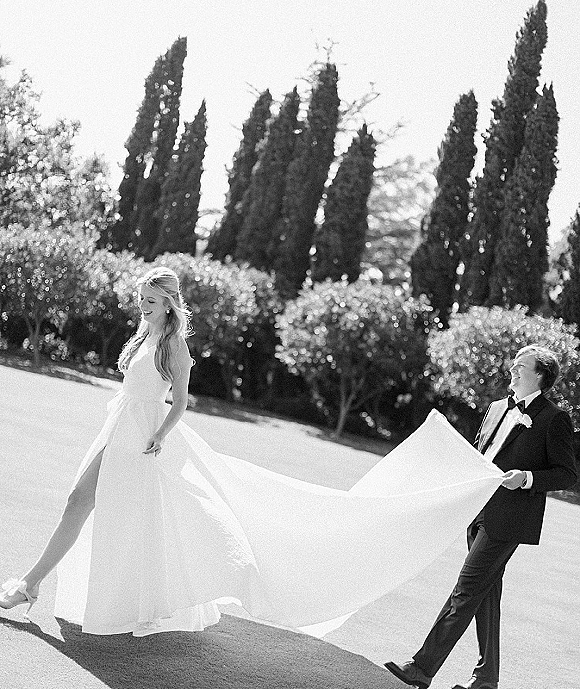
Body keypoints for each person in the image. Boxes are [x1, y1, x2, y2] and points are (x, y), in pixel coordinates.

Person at [0, 266, 506, 637]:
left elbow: (181, 402)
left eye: (150, 303)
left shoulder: (174, 346)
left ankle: (43, 586)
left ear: (170, 304)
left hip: (146, 439)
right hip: (119, 428)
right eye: (141, 302)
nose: (143, 309)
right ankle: (36, 584)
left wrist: (161, 434)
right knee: (83, 501)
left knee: (126, 513)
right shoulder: (142, 334)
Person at [384, 345, 577, 689]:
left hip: (510, 520)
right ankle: (487, 675)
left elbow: (567, 474)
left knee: (467, 588)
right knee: (486, 593)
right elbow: (479, 456)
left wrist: (528, 478)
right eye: (514, 365)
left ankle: (422, 668)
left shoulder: (553, 418)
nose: (514, 371)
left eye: (522, 367)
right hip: (478, 511)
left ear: (542, 376)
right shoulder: (496, 408)